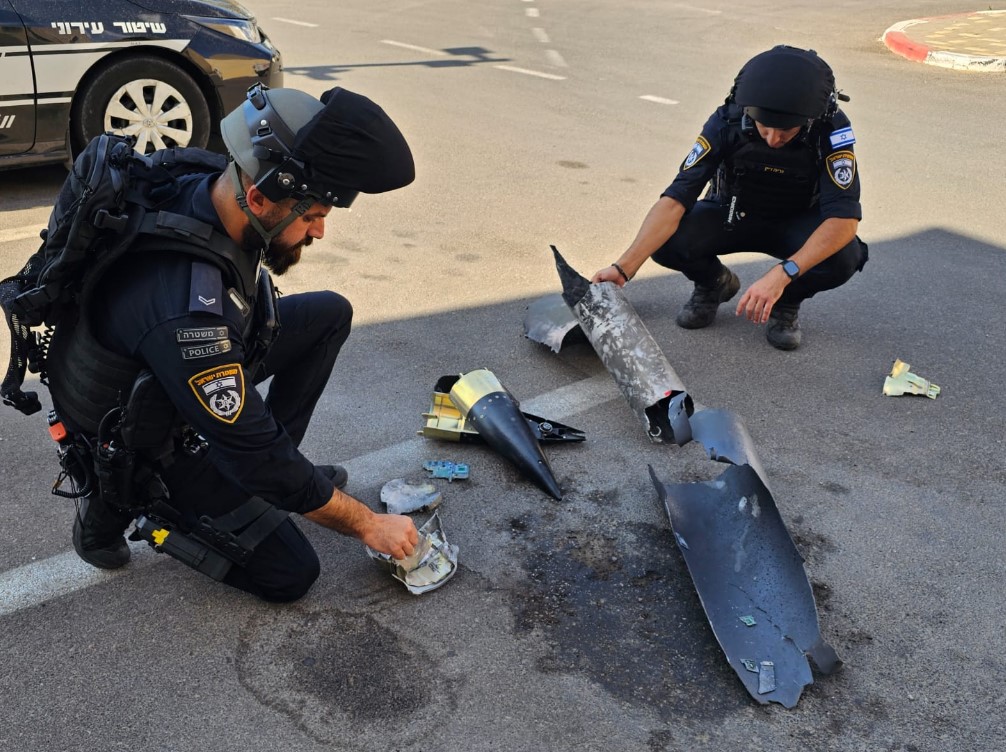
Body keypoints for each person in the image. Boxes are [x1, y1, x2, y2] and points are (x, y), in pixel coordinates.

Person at [58, 84, 419, 601]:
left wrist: (282, 475)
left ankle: (276, 479)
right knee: (291, 574)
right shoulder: (187, 312)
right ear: (259, 199)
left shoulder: (215, 182)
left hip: (164, 371)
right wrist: (366, 523)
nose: (319, 233)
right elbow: (246, 444)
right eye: (312, 215)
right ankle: (107, 510)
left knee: (327, 315)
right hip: (142, 434)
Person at [592, 45, 867, 350]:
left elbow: (843, 220)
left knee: (844, 256)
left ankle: (786, 302)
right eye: (765, 127)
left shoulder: (831, 128)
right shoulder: (727, 120)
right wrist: (623, 268)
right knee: (666, 241)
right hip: (734, 213)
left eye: (786, 131)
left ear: (812, 118)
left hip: (795, 222)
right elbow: (675, 198)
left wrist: (784, 273)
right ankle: (714, 283)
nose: (774, 139)